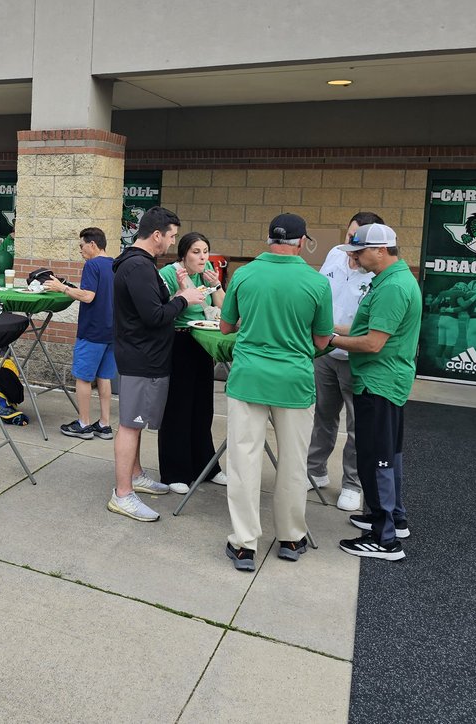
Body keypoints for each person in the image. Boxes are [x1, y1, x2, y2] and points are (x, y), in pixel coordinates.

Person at [219, 213, 333, 572]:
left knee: (243, 462)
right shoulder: (316, 282)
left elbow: (225, 326)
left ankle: (244, 544)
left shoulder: (245, 274)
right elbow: (322, 340)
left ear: (268, 239)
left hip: (249, 377)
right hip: (294, 381)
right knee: (294, 463)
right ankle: (290, 536)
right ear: (302, 242)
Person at [331, 223, 422, 562]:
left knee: (378, 458)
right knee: (386, 454)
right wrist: (328, 328)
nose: (353, 257)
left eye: (359, 251)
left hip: (379, 383)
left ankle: (386, 540)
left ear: (381, 250)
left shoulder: (393, 287)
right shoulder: (390, 280)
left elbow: (372, 343)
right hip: (383, 382)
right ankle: (392, 519)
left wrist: (327, 341)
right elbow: (362, 329)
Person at [108, 206, 204, 522]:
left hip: (145, 357)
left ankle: (135, 475)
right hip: (140, 358)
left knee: (135, 424)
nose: (172, 242)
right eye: (172, 235)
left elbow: (154, 307)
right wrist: (184, 300)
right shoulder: (137, 267)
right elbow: (153, 316)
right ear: (157, 234)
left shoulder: (144, 265)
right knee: (130, 425)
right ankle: (123, 494)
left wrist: (177, 293)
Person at [308, 212, 385, 513]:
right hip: (325, 355)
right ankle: (315, 470)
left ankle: (353, 484)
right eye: (348, 236)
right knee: (323, 416)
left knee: (358, 425)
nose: (350, 244)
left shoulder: (376, 273)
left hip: (355, 356)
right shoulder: (335, 255)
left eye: (357, 240)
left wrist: (332, 334)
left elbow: (370, 330)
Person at [157, 231, 226, 492]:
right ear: (183, 254)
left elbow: (223, 307)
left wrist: (217, 285)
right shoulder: (169, 274)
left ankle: (206, 466)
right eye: (196, 252)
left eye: (205, 251)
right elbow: (162, 310)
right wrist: (182, 292)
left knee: (202, 407)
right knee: (178, 407)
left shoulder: (207, 271)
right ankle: (175, 471)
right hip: (179, 341)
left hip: (204, 340)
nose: (202, 257)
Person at [44, 227, 116, 440]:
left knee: (83, 378)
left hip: (92, 331)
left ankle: (84, 423)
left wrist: (61, 288)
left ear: (92, 244)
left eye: (81, 246)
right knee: (104, 377)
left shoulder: (92, 265)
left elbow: (88, 296)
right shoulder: (114, 265)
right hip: (112, 331)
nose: (80, 250)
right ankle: (104, 424)